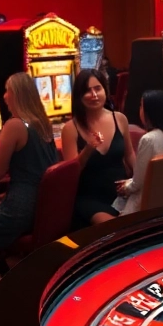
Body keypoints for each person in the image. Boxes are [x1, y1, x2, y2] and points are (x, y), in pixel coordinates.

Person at [0, 73, 58, 285]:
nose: (3, 96)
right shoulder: (43, 123)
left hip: (20, 209)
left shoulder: (15, 125)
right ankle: (0, 263)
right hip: (42, 207)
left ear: (17, 95)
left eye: (7, 91)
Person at [62, 69, 134, 225]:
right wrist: (88, 150)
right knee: (115, 229)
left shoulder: (120, 119)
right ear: (79, 96)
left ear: (105, 91)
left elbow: (130, 157)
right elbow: (71, 174)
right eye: (87, 91)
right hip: (89, 199)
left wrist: (139, 182)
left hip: (121, 196)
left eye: (98, 88)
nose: (94, 95)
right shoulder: (70, 128)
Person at [116, 89, 163, 215]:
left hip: (146, 206)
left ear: (150, 112)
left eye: (141, 106)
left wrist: (125, 188)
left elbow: (138, 184)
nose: (139, 110)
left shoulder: (148, 139)